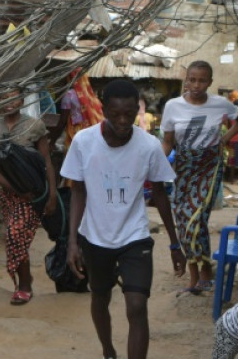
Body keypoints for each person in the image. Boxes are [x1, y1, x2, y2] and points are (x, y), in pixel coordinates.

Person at [61, 79, 186, 359]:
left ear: (136, 111)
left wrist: (175, 244)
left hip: (135, 236)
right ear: (104, 109)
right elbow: (77, 192)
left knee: (137, 306)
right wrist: (72, 242)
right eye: (115, 113)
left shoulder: (149, 146)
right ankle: (108, 350)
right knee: (100, 297)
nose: (122, 120)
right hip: (95, 236)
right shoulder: (84, 141)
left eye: (129, 114)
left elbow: (160, 195)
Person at [161, 61, 238, 294]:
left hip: (209, 167)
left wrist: (224, 138)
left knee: (196, 218)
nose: (196, 85)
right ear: (186, 80)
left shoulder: (220, 104)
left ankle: (204, 272)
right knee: (182, 219)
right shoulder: (172, 106)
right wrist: (157, 167)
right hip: (183, 168)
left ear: (210, 82)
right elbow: (168, 141)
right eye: (192, 79)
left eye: (202, 80)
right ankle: (196, 270)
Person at [0, 87, 58, 305]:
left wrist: (52, 195)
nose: (9, 102)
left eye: (14, 97)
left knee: (15, 234)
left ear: (22, 100)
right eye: (4, 97)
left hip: (33, 195)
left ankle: (24, 285)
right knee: (15, 237)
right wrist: (13, 188)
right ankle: (25, 279)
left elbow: (47, 163)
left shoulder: (34, 127)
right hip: (10, 195)